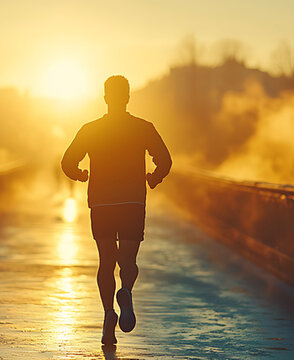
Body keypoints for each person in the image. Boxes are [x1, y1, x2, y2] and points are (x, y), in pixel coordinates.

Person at [61, 75, 172, 345]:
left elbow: (66, 162)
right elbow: (166, 160)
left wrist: (80, 174)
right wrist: (153, 178)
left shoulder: (90, 129)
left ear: (105, 97)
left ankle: (109, 313)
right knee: (128, 261)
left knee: (106, 262)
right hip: (132, 203)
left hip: (102, 204)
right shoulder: (143, 127)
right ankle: (127, 291)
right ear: (128, 97)